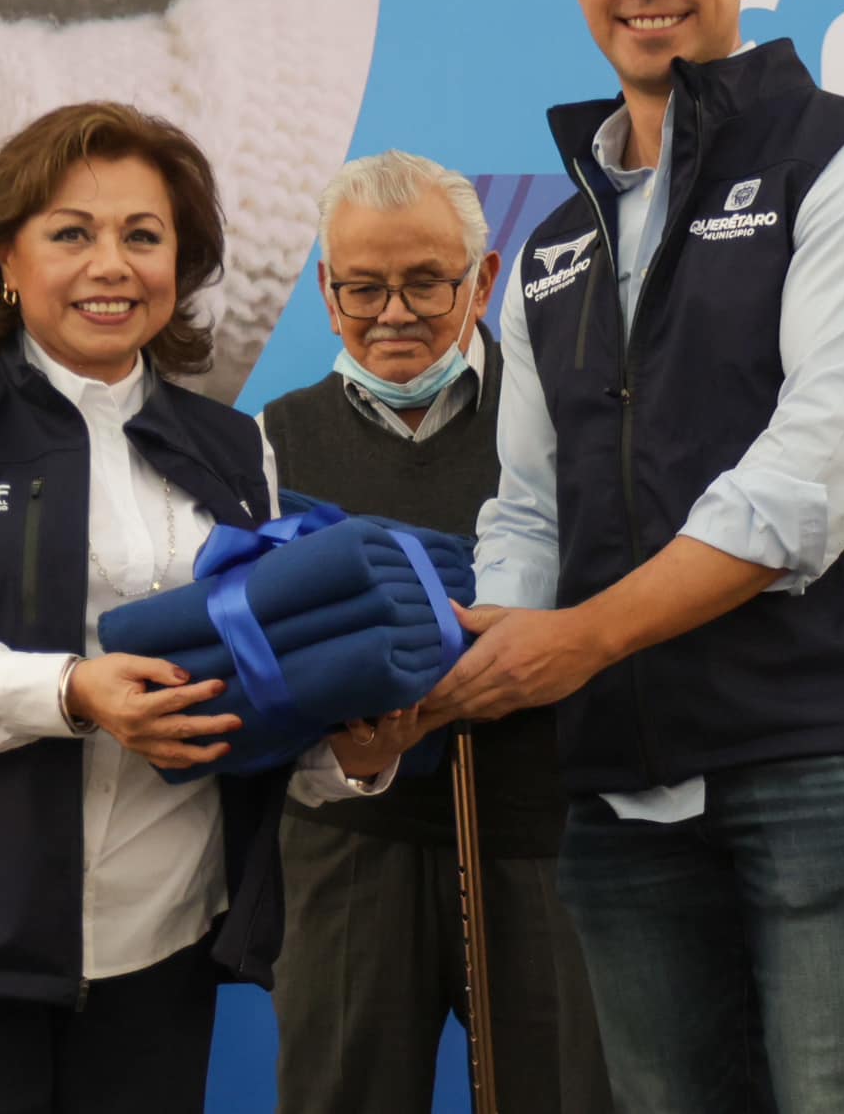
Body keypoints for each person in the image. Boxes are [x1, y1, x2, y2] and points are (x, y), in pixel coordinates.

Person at [419, 0, 844, 1114]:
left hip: (833, 757)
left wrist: (578, 641)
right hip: (623, 790)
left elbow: (804, 492)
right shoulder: (554, 244)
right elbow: (529, 504)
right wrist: (483, 654)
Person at [0, 101, 420, 1114]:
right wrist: (70, 691)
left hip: (163, 937)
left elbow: (257, 683)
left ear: (177, 267)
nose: (110, 264)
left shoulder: (235, 449)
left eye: (143, 236)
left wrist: (353, 750)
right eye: (70, 233)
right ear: (5, 259)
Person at [262, 151, 611, 1114]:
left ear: (484, 282)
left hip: (544, 832)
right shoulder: (270, 442)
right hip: (346, 842)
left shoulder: (553, 428)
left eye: (426, 283)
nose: (395, 314)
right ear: (326, 293)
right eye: (364, 288)